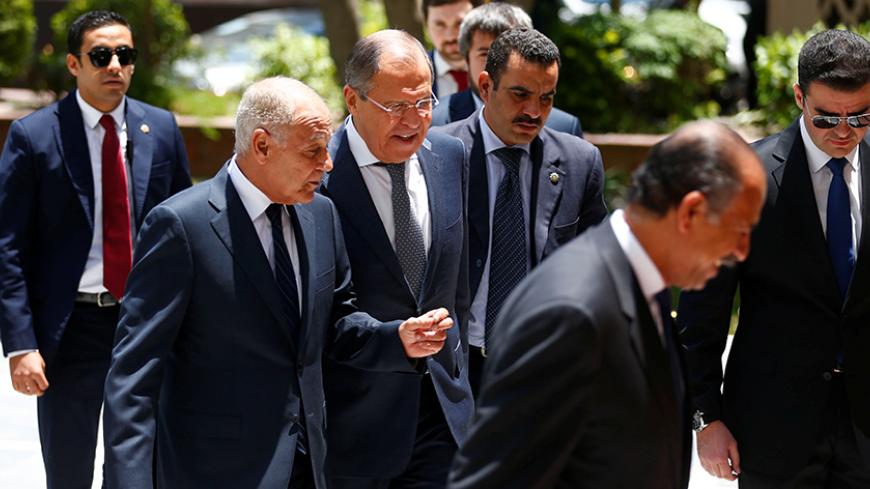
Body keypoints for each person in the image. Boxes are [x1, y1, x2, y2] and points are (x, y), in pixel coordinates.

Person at [102, 76, 455, 489]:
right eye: (313, 150)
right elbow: (134, 377)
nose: (327, 164)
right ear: (262, 145)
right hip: (214, 471)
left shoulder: (321, 214)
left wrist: (397, 338)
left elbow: (337, 323)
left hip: (309, 467)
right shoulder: (180, 226)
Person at [449, 120, 767, 489]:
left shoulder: (645, 289)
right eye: (740, 230)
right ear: (691, 213)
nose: (743, 251)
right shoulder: (570, 314)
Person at [0, 10, 191, 488]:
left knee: (137, 468)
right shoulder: (35, 136)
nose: (115, 66)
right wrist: (21, 345)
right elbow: (8, 246)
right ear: (73, 63)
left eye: (124, 55)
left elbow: (187, 235)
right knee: (68, 469)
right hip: (70, 329)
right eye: (101, 55)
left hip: (142, 323)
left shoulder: (162, 129)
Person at [678, 29, 870, 488]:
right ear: (799, 97)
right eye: (827, 118)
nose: (844, 131)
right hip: (772, 428)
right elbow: (700, 314)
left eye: (860, 116)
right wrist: (706, 420)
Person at [321, 30, 473, 489]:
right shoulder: (319, 174)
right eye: (396, 107)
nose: (414, 119)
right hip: (354, 423)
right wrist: (393, 340)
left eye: (424, 102)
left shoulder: (449, 155)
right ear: (353, 98)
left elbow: (457, 283)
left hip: (443, 415)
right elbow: (313, 311)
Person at [432, 27, 606, 395]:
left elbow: (596, 268)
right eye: (520, 95)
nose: (534, 111)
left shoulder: (579, 162)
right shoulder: (437, 154)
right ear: (485, 87)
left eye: (546, 98)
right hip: (452, 372)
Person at [430, 3, 583, 137]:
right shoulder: (433, 122)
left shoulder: (564, 128)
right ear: (466, 57)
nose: (496, 63)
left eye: (508, 53)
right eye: (485, 54)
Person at [424, 0, 480, 99]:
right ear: (427, 25)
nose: (450, 37)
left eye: (460, 24)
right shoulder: (411, 76)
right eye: (440, 25)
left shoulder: (501, 70)